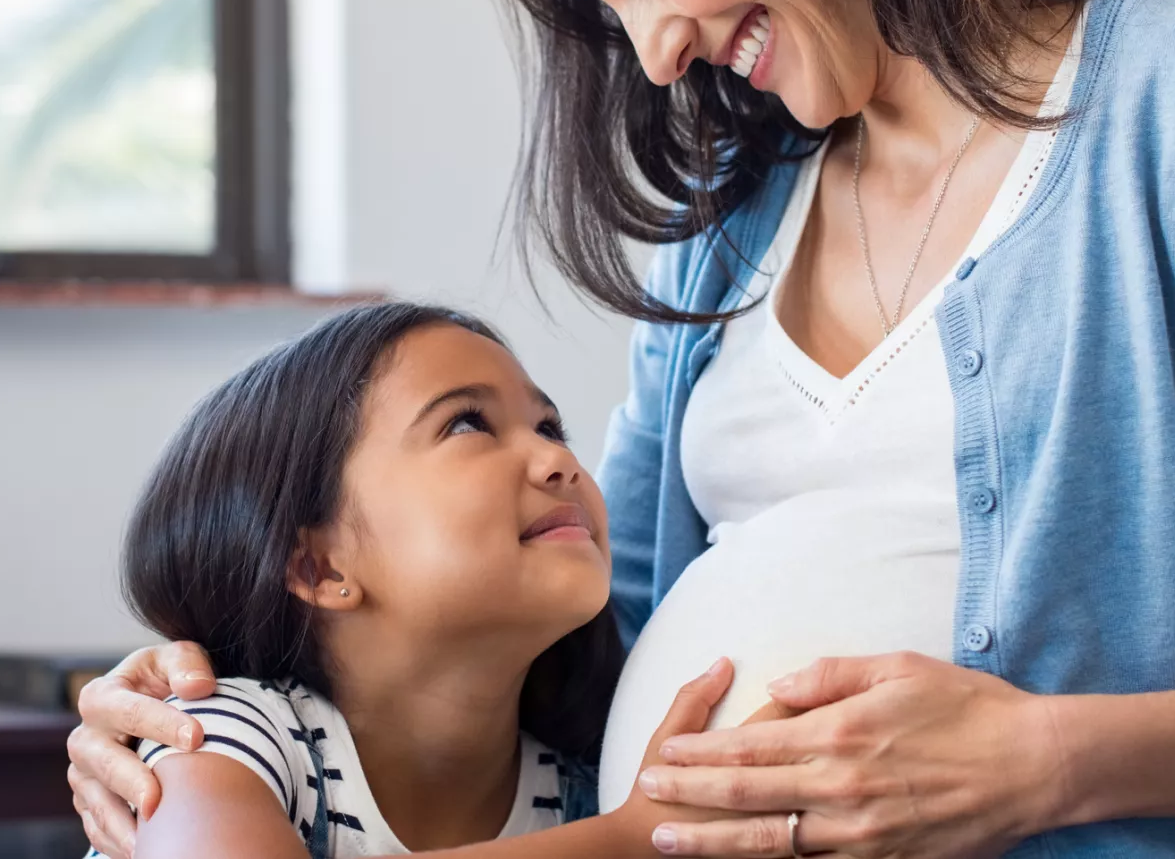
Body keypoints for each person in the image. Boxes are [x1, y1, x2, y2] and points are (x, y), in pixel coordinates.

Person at [69, 0, 1175, 856]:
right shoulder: (730, 219)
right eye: (606, 7)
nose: (654, 50)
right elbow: (597, 639)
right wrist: (225, 706)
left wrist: (1051, 759)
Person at [82, 302, 760, 858]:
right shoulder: (225, 734)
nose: (556, 458)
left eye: (550, 425)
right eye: (468, 423)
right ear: (319, 567)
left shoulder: (583, 786)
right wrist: (626, 840)